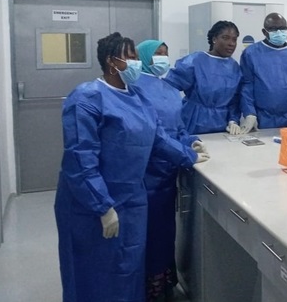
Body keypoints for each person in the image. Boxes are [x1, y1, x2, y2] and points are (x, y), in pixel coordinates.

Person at [54, 32, 209, 302]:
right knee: (94, 270)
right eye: (132, 57)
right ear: (112, 62)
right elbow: (81, 159)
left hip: (132, 199)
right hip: (90, 202)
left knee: (128, 268)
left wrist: (189, 155)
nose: (138, 63)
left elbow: (159, 138)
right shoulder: (86, 98)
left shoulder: (137, 97)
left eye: (138, 57)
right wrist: (101, 206)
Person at [134, 39, 205, 302]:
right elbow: (154, 136)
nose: (163, 58)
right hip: (146, 175)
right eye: (157, 54)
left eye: (166, 53)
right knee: (147, 234)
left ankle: (164, 283)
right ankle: (145, 290)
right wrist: (186, 154)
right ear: (143, 58)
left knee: (165, 233)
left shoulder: (168, 88)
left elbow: (177, 128)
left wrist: (191, 141)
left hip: (167, 174)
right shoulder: (134, 89)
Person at [239, 12, 287, 132]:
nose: (279, 32)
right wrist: (250, 114)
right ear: (264, 32)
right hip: (260, 119)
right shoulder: (251, 54)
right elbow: (246, 86)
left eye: (282, 28)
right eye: (273, 29)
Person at [166, 21, 242, 135]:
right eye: (225, 38)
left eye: (234, 39)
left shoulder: (235, 68)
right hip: (193, 121)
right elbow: (169, 89)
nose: (231, 43)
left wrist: (233, 120)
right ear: (214, 39)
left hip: (222, 125)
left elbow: (234, 101)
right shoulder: (194, 61)